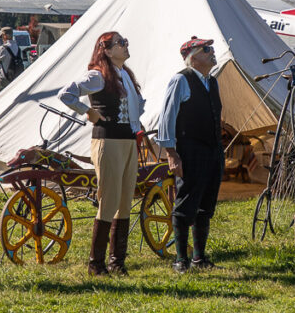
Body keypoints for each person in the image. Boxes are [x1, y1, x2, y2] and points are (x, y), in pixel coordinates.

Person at [59, 31, 144, 276]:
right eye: (120, 43)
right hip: (107, 140)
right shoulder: (98, 76)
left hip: (127, 140)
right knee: (109, 200)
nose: (126, 45)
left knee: (126, 200)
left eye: (125, 41)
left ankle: (117, 262)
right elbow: (66, 93)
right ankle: (96, 263)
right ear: (106, 50)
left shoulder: (125, 75)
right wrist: (89, 112)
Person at [155, 36, 225, 274]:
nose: (212, 52)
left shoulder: (212, 82)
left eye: (212, 48)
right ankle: (180, 259)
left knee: (206, 204)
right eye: (207, 49)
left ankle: (199, 257)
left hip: (212, 149)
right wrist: (171, 153)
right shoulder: (181, 80)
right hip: (190, 148)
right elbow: (168, 116)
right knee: (186, 202)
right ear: (192, 57)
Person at [0, 26, 21, 95]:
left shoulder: (2, 49)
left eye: (2, 36)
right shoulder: (18, 48)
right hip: (15, 81)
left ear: (5, 36)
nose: (1, 38)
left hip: (3, 81)